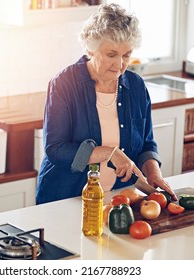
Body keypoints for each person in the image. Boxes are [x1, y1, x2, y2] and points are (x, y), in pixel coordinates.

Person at [36, 3, 177, 204]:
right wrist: (109, 153)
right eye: (111, 55)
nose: (120, 64)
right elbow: (56, 149)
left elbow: (146, 142)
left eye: (126, 55)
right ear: (91, 49)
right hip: (65, 199)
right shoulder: (64, 84)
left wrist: (153, 173)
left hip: (119, 200)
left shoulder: (136, 86)